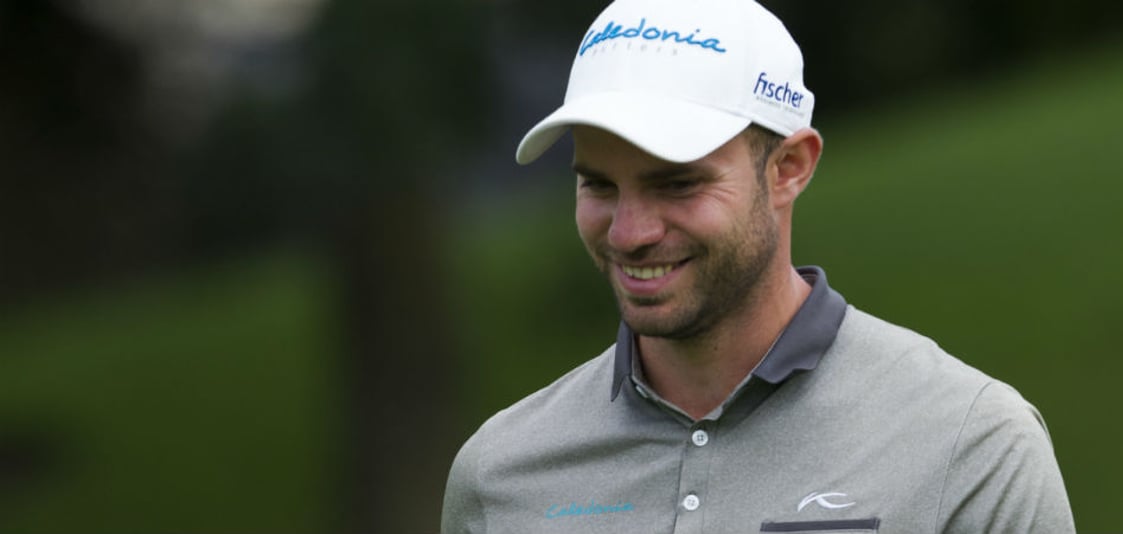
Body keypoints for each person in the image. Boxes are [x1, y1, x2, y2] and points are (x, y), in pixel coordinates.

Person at [442, 0, 1075, 532]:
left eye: (678, 185)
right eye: (600, 187)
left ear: (788, 168)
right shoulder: (501, 474)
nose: (631, 233)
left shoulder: (970, 444)